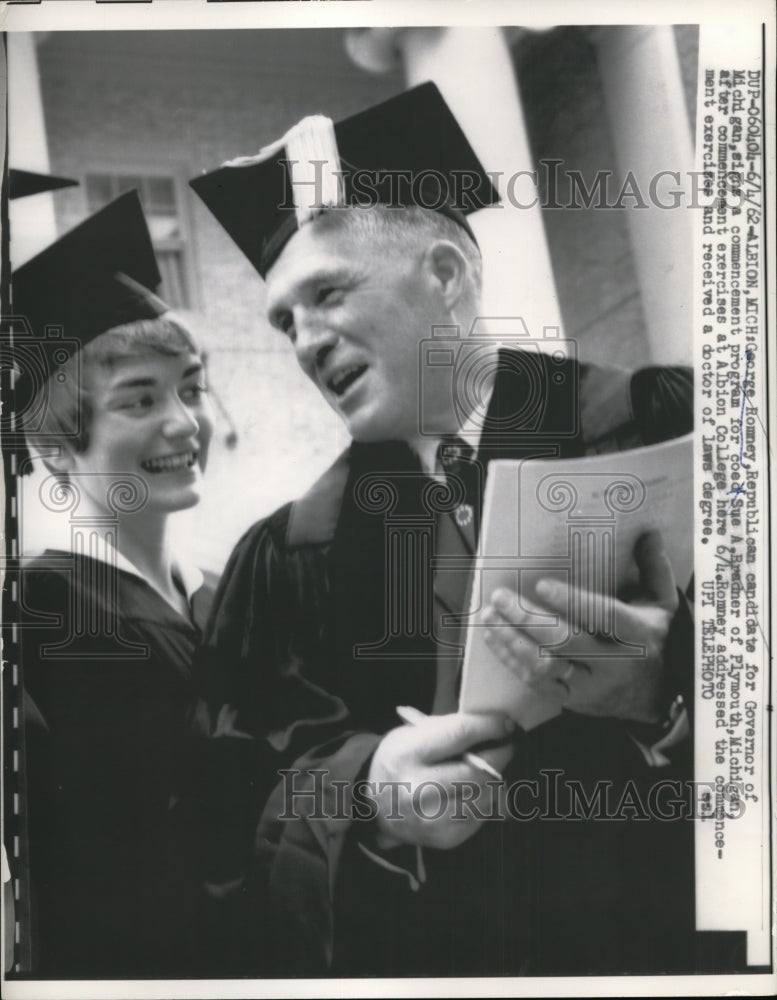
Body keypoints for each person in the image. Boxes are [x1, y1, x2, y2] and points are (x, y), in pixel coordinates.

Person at [190, 84, 743, 976]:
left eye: (327, 293)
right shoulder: (288, 554)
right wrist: (364, 791)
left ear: (445, 277)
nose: (302, 341)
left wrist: (668, 697)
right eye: (284, 320)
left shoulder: (666, 430)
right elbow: (222, 782)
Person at [6, 191, 216, 977]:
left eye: (189, 389)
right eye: (140, 399)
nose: (184, 422)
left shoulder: (233, 591)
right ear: (59, 451)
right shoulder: (39, 613)